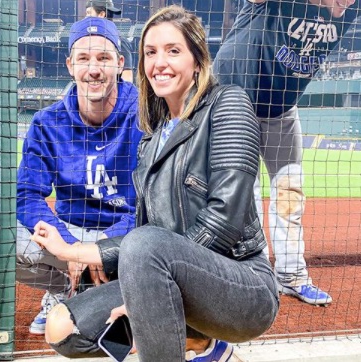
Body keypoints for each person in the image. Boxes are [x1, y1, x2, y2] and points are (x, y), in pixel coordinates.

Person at [30, 5, 279, 362]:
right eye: (150, 52)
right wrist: (72, 252)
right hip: (164, 272)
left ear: (197, 60)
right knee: (62, 327)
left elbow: (224, 220)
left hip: (241, 285)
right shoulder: (151, 139)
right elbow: (142, 233)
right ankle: (203, 347)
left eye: (173, 50)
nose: (159, 62)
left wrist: (142, 295)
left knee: (146, 247)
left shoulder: (228, 104)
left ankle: (172, 342)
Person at [213, 0, 361, 306]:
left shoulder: (352, 10)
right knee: (245, 194)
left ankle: (291, 275)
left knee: (290, 191)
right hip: (237, 100)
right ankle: (251, 275)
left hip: (281, 107)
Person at [16, 16, 142, 335]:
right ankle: (65, 289)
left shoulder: (144, 114)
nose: (94, 69)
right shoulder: (47, 122)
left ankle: (105, 291)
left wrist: (100, 248)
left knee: (158, 235)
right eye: (84, 59)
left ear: (120, 63)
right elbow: (28, 196)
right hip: (69, 232)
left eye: (103, 58)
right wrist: (71, 248)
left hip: (125, 234)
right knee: (0, 240)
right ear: (70, 65)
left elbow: (152, 198)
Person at [86, 0, 135, 82]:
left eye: (89, 13)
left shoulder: (119, 40)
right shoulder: (93, 38)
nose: (86, 17)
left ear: (101, 14)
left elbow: (127, 78)